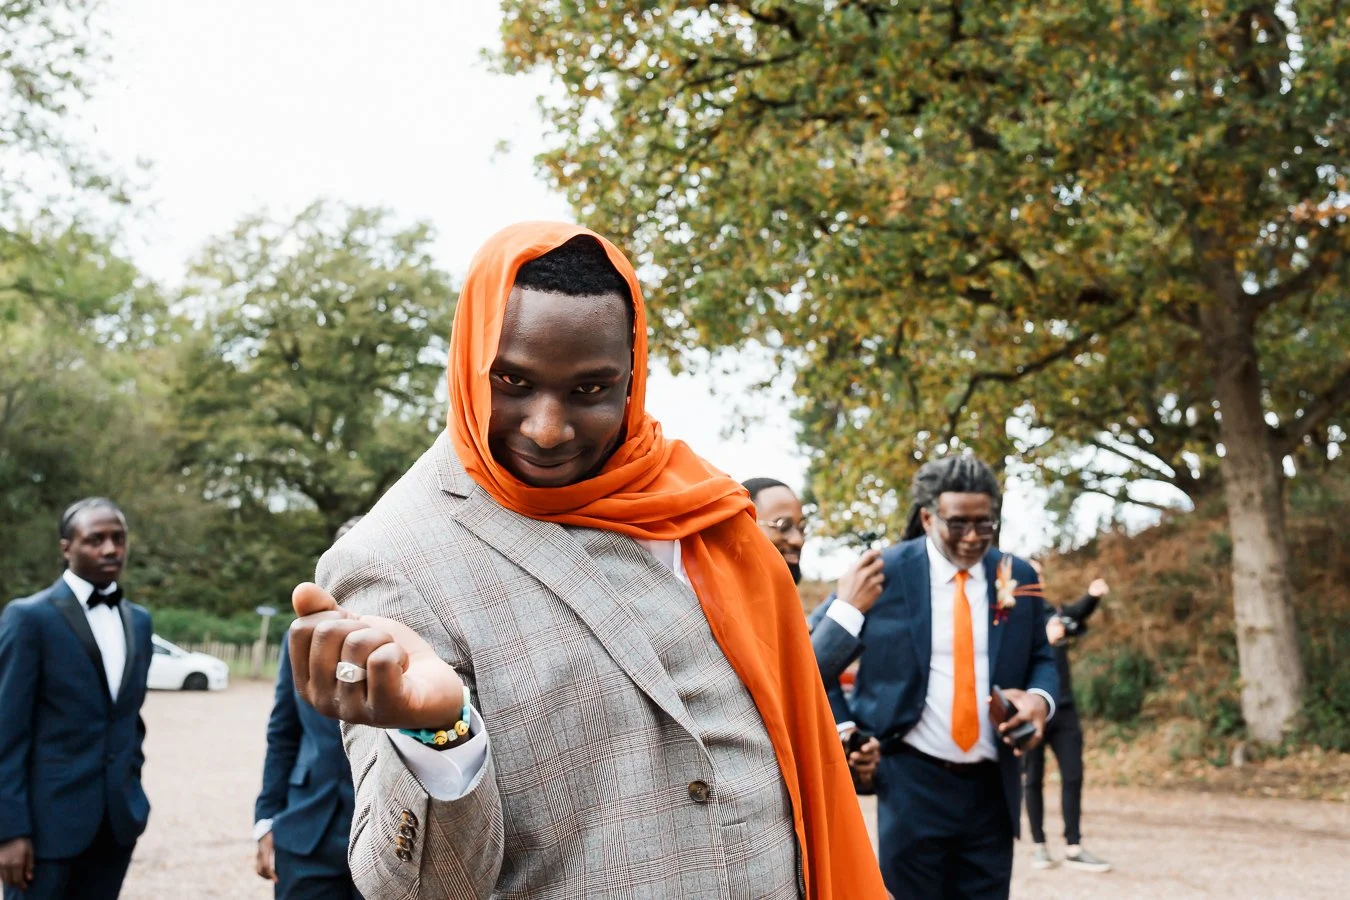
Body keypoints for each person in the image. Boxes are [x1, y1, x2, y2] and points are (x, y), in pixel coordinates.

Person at [284, 223, 887, 899]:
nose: (548, 429)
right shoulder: (392, 559)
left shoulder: (697, 506)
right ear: (469, 359)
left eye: (590, 390)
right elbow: (416, 889)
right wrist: (440, 734)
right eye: (511, 381)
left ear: (633, 378)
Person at [812, 457, 1059, 899]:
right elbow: (813, 656)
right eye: (958, 523)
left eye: (984, 524)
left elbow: (1043, 655)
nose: (971, 538)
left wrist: (1039, 700)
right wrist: (847, 729)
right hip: (909, 778)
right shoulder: (881, 572)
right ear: (928, 517)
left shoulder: (1016, 575)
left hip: (992, 786)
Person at [0, 498, 153, 900]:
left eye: (118, 539)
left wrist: (133, 790)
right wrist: (9, 830)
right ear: (67, 547)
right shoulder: (28, 618)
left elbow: (128, 719)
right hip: (43, 833)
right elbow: (6, 732)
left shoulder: (139, 620)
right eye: (95, 539)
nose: (110, 549)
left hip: (116, 825)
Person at [743, 477, 885, 787]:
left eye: (802, 527)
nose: (797, 539)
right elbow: (791, 685)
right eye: (782, 526)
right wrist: (848, 609)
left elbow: (819, 688)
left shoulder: (784, 604)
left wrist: (846, 735)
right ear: (745, 523)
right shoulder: (729, 606)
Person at [253, 516, 366, 899]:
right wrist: (266, 820)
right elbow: (282, 733)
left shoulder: (417, 641)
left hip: (386, 837)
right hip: (305, 832)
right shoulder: (299, 636)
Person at [1022, 560, 1112, 874]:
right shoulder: (1010, 619)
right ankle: (1039, 846)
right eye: (1029, 573)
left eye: (1039, 574)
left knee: (1073, 775)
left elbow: (1075, 613)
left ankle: (1073, 847)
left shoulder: (1051, 612)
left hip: (1065, 709)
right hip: (1030, 711)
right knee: (1032, 779)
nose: (1036, 579)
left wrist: (1092, 595)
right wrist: (1043, 640)